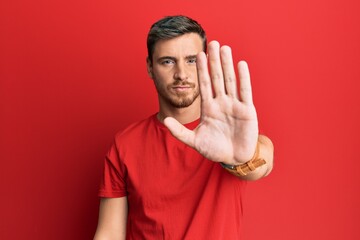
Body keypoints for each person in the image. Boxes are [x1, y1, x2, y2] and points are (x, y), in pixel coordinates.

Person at [93, 15, 274, 240]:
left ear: (205, 64)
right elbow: (109, 234)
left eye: (191, 61)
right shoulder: (125, 144)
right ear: (150, 67)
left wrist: (240, 159)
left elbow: (262, 163)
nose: (181, 74)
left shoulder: (230, 136)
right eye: (167, 61)